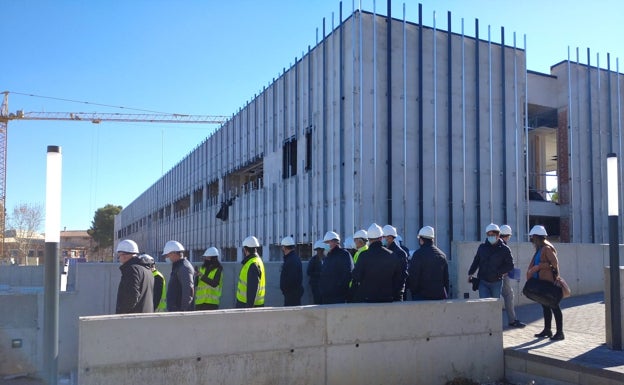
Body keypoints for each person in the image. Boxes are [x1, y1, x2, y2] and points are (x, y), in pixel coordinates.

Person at [527, 225, 564, 341]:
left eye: (533, 237)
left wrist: (538, 267)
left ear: (538, 237)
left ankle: (560, 332)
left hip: (549, 282)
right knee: (545, 305)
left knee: (554, 306)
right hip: (541, 282)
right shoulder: (540, 249)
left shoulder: (547, 248)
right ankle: (547, 329)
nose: (532, 240)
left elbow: (554, 264)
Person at [352, 223, 403, 302]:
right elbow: (398, 277)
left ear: (368, 239)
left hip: (367, 299)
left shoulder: (363, 255)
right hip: (387, 299)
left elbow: (356, 276)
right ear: (381, 238)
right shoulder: (391, 255)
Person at [468, 223, 514, 299]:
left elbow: (510, 265)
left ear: (498, 235)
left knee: (494, 306)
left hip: (496, 282)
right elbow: (476, 261)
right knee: (484, 303)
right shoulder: (482, 247)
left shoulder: (505, 249)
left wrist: (499, 272)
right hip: (483, 281)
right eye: (489, 235)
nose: (490, 237)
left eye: (493, 235)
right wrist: (470, 273)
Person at [407, 226, 449, 300]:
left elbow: (413, 276)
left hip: (421, 296)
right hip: (439, 296)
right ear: (432, 239)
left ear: (421, 240)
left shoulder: (418, 254)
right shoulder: (442, 255)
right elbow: (446, 279)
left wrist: (414, 291)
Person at [115, 240, 154, 314]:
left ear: (124, 255)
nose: (119, 259)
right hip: (146, 317)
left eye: (118, 256)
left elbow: (131, 297)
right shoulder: (147, 270)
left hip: (133, 321)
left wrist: (121, 314)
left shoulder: (131, 269)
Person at [499, 225, 526, 328]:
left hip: (493, 276)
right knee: (509, 296)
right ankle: (512, 320)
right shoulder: (504, 246)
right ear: (507, 236)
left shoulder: (493, 245)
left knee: (496, 298)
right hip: (502, 276)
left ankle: (494, 321)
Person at [319, 231, 353, 304]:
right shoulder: (328, 256)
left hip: (338, 297)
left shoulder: (344, 254)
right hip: (326, 296)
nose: (325, 245)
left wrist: (339, 288)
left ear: (334, 242)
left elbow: (348, 274)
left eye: (327, 242)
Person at [163, 240, 195, 311]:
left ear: (174, 253)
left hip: (179, 312)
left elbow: (188, 291)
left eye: (168, 255)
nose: (167, 257)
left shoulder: (184, 267)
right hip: (175, 310)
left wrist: (182, 311)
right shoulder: (179, 266)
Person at [236, 235, 266, 308]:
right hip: (253, 304)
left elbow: (252, 289)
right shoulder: (257, 261)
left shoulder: (252, 264)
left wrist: (249, 309)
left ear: (246, 250)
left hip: (247, 305)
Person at [382, 224, 409, 301]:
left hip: (395, 293)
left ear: (390, 237)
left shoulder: (400, 253)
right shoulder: (386, 250)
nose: (382, 239)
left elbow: (402, 275)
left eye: (383, 237)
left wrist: (397, 291)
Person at [280, 236, 304, 306]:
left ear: (284, 247)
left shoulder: (290, 260)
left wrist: (285, 290)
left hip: (291, 295)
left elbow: (291, 279)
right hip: (293, 294)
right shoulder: (294, 258)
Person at [307, 240, 327, 304]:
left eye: (320, 250)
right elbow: (309, 272)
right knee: (317, 301)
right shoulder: (313, 260)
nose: (318, 252)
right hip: (315, 285)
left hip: (324, 284)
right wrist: (320, 274)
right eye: (317, 250)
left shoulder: (327, 259)